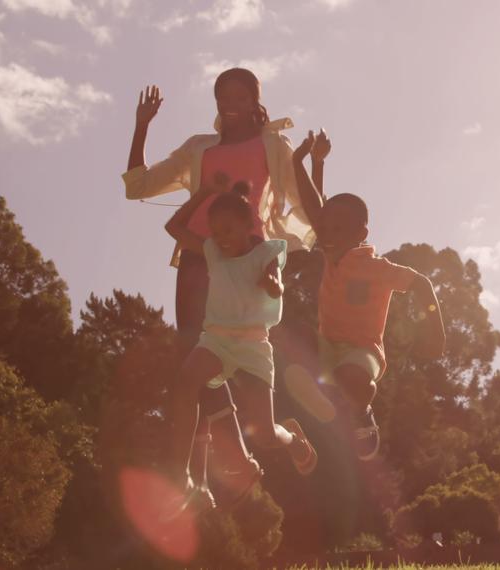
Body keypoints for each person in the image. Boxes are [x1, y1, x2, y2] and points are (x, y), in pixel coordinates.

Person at [122, 68, 320, 504]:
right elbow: (138, 187)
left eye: (239, 95)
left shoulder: (272, 144)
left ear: (254, 101)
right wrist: (141, 127)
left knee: (219, 370)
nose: (229, 103)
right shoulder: (199, 148)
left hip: (248, 261)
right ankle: (202, 476)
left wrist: (312, 166)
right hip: (199, 256)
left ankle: (240, 457)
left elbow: (307, 205)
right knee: (192, 364)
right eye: (221, 95)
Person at [283, 131, 447, 461]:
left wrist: (435, 329)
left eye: (338, 230)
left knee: (350, 377)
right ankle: (328, 406)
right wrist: (303, 162)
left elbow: (421, 283)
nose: (326, 236)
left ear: (361, 234)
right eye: (324, 229)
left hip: (363, 352)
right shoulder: (332, 251)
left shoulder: (376, 268)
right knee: (290, 341)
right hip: (327, 345)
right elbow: (318, 206)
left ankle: (362, 413)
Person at [164, 181, 317, 509]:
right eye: (215, 231)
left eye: (229, 230)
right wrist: (203, 194)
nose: (221, 238)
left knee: (264, 436)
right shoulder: (212, 252)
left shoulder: (265, 252)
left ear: (249, 227)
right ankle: (181, 474)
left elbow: (276, 285)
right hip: (216, 341)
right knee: (185, 381)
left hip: (252, 348)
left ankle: (292, 438)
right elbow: (173, 227)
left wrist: (273, 283)